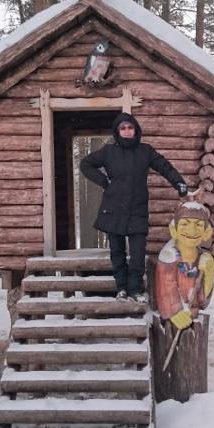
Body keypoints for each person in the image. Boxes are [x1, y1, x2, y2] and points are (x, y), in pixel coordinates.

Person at [80, 112, 188, 301]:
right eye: (123, 128)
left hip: (137, 209)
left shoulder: (145, 151)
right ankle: (122, 288)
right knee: (117, 252)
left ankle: (135, 290)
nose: (127, 131)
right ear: (117, 131)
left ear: (136, 130)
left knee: (137, 254)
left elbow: (165, 167)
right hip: (113, 208)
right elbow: (85, 164)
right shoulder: (108, 152)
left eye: (130, 127)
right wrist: (103, 181)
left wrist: (179, 183)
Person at [155, 201, 214, 330]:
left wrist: (209, 274)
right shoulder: (169, 256)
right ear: (174, 229)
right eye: (184, 223)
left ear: (206, 231)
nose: (192, 230)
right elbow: (166, 287)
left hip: (192, 314)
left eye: (199, 225)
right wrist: (174, 311)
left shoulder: (202, 257)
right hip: (175, 319)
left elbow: (202, 302)